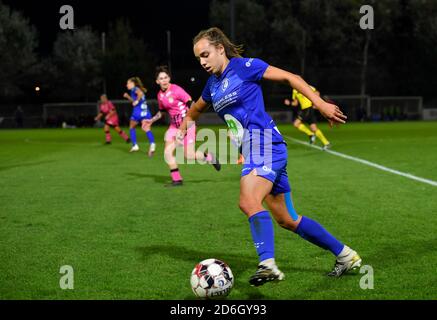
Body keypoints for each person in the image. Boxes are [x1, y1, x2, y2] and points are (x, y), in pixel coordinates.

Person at [177, 27, 361, 286]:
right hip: (257, 148)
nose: (203, 62)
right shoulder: (212, 85)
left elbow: (291, 77)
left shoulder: (245, 67)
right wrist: (183, 126)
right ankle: (345, 255)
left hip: (263, 141)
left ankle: (268, 264)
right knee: (287, 219)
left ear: (220, 49)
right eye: (198, 58)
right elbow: (196, 108)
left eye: (206, 54)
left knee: (248, 199)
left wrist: (319, 104)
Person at [143, 66, 220, 186]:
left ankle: (209, 157)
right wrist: (151, 121)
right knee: (167, 153)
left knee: (188, 156)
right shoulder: (160, 95)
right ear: (157, 81)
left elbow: (192, 104)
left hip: (187, 125)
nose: (164, 80)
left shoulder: (176, 90)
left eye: (166, 77)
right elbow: (162, 112)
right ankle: (177, 179)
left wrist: (188, 125)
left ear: (169, 78)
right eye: (161, 78)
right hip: (173, 127)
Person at [123, 77, 156, 156]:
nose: (127, 85)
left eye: (128, 83)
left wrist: (137, 100)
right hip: (146, 111)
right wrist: (128, 97)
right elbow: (135, 101)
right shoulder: (133, 90)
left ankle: (135, 145)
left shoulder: (135, 88)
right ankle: (152, 145)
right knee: (147, 128)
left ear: (132, 83)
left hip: (138, 111)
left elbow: (140, 94)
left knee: (131, 127)